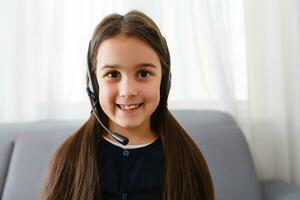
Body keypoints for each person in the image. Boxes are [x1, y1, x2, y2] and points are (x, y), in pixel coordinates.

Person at [42, 10, 215, 200]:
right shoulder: (69, 158)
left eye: (143, 73)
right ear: (93, 83)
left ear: (164, 80)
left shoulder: (187, 159)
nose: (128, 91)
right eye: (112, 74)